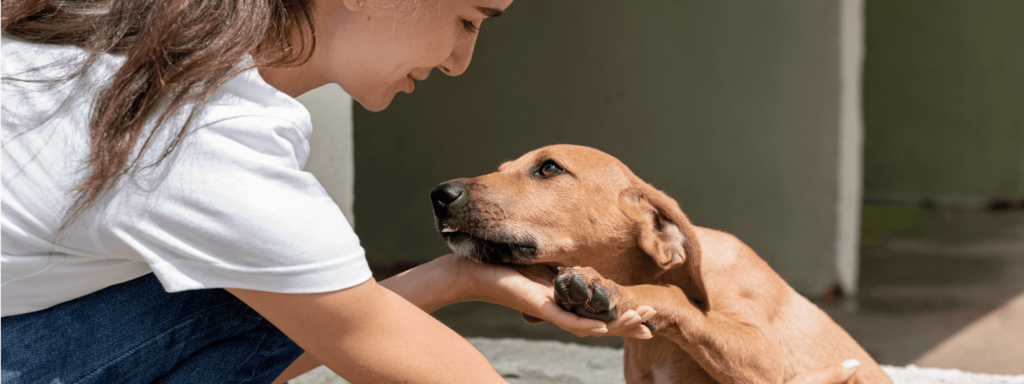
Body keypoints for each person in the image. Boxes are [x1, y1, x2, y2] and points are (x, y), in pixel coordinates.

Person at [0, 0, 864, 383]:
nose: (459, 61)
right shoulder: (206, 141)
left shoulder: (155, 53)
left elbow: (321, 317)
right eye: (467, 21)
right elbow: (405, 362)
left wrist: (463, 278)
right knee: (272, 295)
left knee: (271, 294)